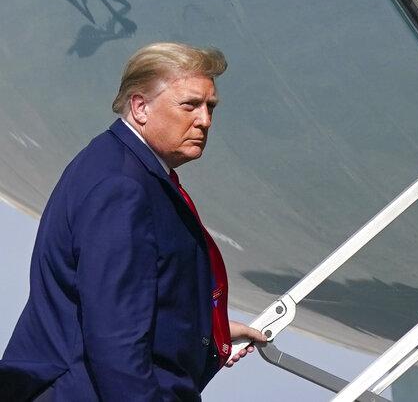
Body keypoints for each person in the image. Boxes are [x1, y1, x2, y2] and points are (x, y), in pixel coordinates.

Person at [0, 42, 266, 401]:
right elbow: (114, 338)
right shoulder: (122, 187)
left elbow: (128, 300)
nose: (205, 120)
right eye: (190, 105)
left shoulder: (121, 165)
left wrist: (204, 333)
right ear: (140, 107)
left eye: (210, 107)